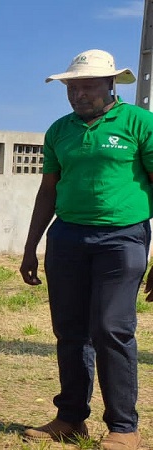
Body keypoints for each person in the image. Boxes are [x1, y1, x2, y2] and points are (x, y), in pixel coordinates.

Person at [20, 49, 152, 450]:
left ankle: (124, 427)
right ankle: (71, 418)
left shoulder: (138, 123)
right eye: (72, 87)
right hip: (67, 238)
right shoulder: (59, 131)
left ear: (111, 85)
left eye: (88, 86)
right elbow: (48, 191)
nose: (79, 94)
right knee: (70, 331)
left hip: (122, 238)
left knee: (112, 328)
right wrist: (31, 247)